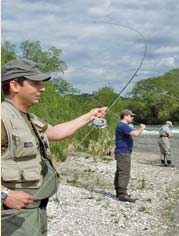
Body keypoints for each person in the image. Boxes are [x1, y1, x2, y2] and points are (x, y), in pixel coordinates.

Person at [1, 58, 107, 236]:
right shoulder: (3, 117)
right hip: (12, 213)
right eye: (35, 83)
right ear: (14, 85)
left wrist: (90, 116)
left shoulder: (28, 117)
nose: (42, 88)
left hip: (34, 209)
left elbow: (56, 132)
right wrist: (4, 194)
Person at [114, 109, 146, 202]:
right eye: (131, 116)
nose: (132, 118)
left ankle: (119, 192)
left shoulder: (123, 125)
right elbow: (135, 134)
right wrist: (142, 128)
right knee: (124, 173)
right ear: (125, 116)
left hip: (122, 152)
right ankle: (122, 194)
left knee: (120, 172)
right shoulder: (123, 125)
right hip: (123, 152)